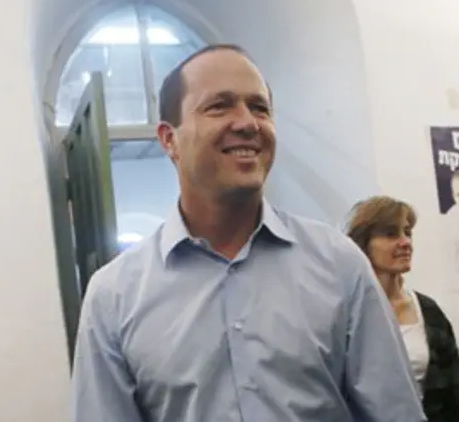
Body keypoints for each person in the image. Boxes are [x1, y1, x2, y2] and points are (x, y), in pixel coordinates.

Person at [71, 44, 427, 422]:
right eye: (219, 106)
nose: (247, 123)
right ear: (169, 139)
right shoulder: (115, 296)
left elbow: (396, 413)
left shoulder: (340, 266)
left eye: (259, 107)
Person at [346, 196, 459, 422]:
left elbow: (456, 394)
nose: (405, 242)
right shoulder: (346, 312)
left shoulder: (429, 311)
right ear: (364, 244)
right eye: (390, 234)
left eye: (407, 232)